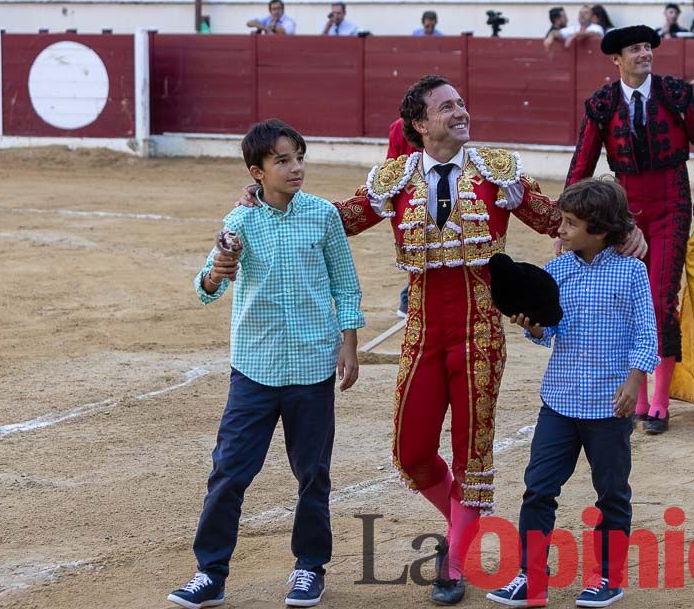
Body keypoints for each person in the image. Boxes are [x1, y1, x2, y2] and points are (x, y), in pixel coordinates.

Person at [316, 76, 572, 606]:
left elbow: (556, 220)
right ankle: (475, 523)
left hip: (480, 332)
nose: (461, 111)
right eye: (447, 106)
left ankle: (453, 564)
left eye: (461, 103)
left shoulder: (498, 171)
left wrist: (621, 225)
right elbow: (337, 221)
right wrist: (271, 202)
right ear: (419, 123)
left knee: (471, 453)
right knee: (412, 451)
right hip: (423, 330)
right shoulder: (395, 178)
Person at [167, 120, 362, 609]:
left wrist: (350, 345)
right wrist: (215, 272)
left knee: (313, 473)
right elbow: (206, 288)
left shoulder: (321, 215)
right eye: (283, 160)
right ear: (258, 171)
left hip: (313, 367)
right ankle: (210, 573)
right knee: (229, 472)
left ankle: (309, 567)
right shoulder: (240, 222)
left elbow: (345, 284)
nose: (296, 168)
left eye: (298, 157)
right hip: (255, 367)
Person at [485, 178, 658, 609]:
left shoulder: (633, 271)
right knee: (539, 488)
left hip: (608, 404)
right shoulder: (558, 270)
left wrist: (635, 383)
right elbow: (550, 332)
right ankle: (530, 575)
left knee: (612, 493)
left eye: (569, 223)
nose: (559, 230)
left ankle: (609, 579)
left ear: (598, 229)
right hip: (559, 401)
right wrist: (535, 328)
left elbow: (646, 334)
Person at [566, 26, 694, 435]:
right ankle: (636, 396)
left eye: (647, 47)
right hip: (625, 211)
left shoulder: (675, 94)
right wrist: (564, 222)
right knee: (630, 300)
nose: (645, 54)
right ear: (616, 59)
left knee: (659, 301)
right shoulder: (602, 104)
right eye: (635, 49)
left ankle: (658, 400)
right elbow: (581, 165)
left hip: (671, 204)